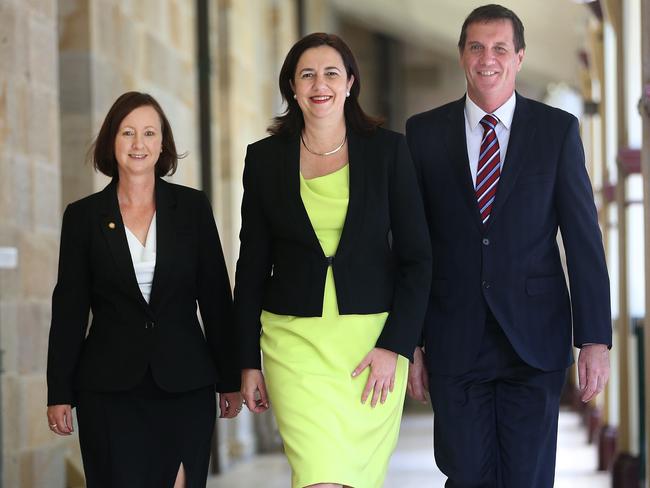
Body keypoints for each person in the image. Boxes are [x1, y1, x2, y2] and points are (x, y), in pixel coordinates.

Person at [405, 4, 612, 487]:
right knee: (466, 476)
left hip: (534, 340)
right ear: (461, 55)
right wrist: (409, 343)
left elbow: (583, 240)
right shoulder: (423, 134)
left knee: (527, 477)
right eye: (476, 47)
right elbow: (410, 246)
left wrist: (595, 339)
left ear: (519, 57)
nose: (487, 58)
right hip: (453, 339)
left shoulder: (556, 131)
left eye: (500, 48)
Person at [235, 33, 431, 488]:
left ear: (349, 83)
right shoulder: (263, 160)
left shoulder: (387, 152)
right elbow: (251, 267)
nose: (318, 83)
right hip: (293, 342)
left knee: (356, 479)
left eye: (330, 73)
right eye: (307, 74)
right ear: (292, 86)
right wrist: (246, 361)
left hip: (371, 347)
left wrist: (397, 346)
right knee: (319, 476)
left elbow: (418, 260)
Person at [46, 91, 242, 488]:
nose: (139, 144)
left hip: (184, 383)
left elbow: (217, 299)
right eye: (127, 133)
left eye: (150, 133)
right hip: (109, 390)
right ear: (111, 142)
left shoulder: (192, 208)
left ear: (163, 144)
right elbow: (69, 308)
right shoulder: (83, 217)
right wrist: (58, 391)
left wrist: (230, 379)